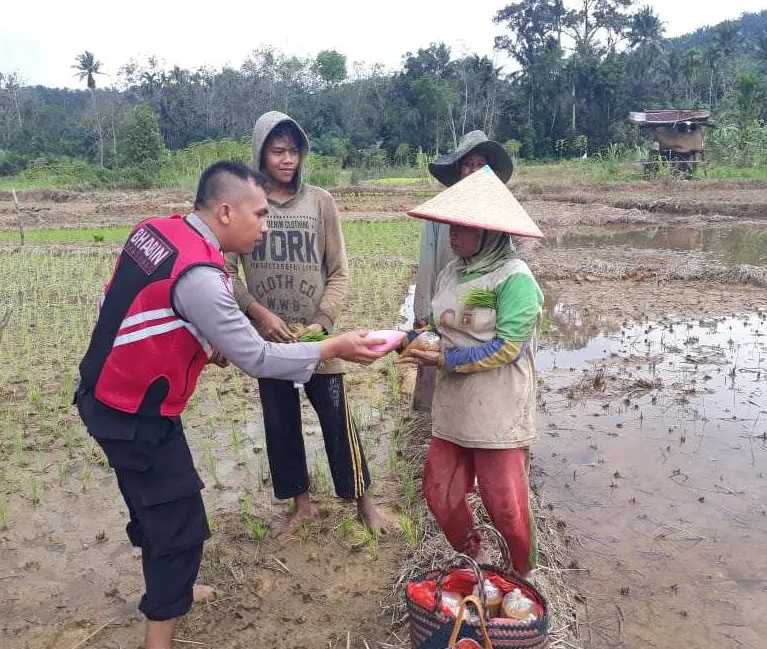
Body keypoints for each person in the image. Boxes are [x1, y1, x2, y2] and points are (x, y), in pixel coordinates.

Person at [75, 161, 386, 649]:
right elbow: (258, 358)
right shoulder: (202, 275)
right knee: (177, 525)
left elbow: (135, 303)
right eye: (260, 214)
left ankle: (173, 588)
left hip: (111, 393)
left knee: (162, 504)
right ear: (225, 211)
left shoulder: (156, 232)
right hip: (132, 413)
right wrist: (331, 346)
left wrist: (199, 340)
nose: (266, 226)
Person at [226, 111, 389, 535]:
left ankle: (364, 504)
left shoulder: (320, 202)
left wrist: (322, 322)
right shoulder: (248, 204)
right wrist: (258, 314)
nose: (287, 160)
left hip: (320, 338)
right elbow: (224, 271)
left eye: (294, 151)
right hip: (270, 340)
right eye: (277, 151)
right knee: (280, 424)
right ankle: (302, 506)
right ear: (261, 153)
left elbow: (338, 271)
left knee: (338, 419)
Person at [398, 166, 544, 576]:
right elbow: (430, 324)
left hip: (497, 409)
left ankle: (521, 575)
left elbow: (509, 347)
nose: (452, 234)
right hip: (454, 406)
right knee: (440, 493)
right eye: (450, 225)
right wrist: (402, 341)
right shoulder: (451, 272)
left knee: (506, 507)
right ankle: (473, 555)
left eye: (463, 226)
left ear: (491, 232)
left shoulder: (513, 278)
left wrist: (445, 359)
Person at [413, 130, 515, 328]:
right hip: (446, 299)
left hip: (482, 305)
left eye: (480, 164)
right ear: (459, 170)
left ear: (489, 171)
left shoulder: (499, 211)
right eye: (468, 164)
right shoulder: (441, 211)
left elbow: (507, 260)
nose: (473, 170)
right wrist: (422, 312)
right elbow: (427, 263)